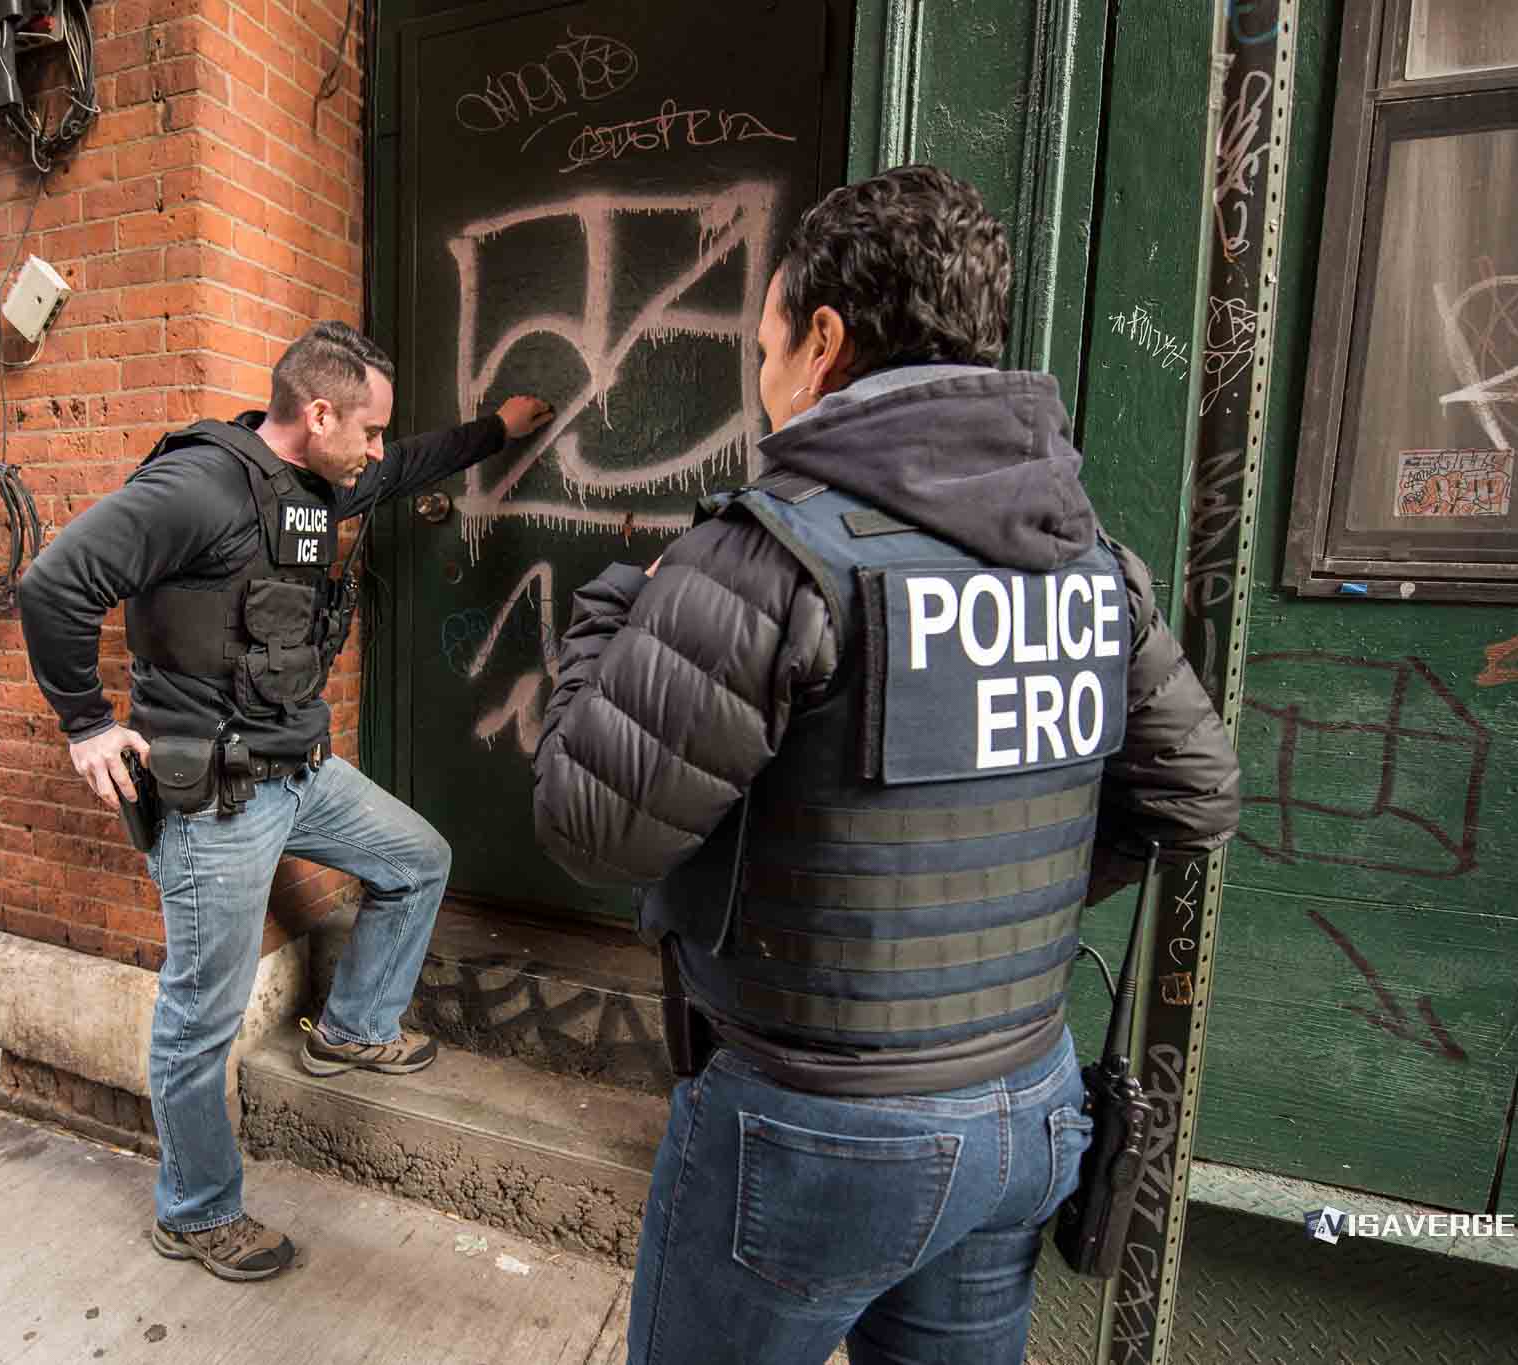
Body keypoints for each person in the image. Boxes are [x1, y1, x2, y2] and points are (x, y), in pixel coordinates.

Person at [530, 166, 1240, 1363]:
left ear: (821, 343)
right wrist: (979, 913)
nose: (761, 383)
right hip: (1025, 1101)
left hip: (818, 1131)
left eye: (762, 349)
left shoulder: (771, 558)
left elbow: (588, 826)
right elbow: (1196, 796)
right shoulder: (1090, 566)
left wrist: (610, 612)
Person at [18, 320, 554, 1281]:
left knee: (417, 860)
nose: (379, 449)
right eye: (369, 430)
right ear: (318, 414)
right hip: (217, 801)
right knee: (201, 1016)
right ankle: (196, 1211)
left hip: (299, 771)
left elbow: (411, 465)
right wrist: (87, 723)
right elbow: (56, 583)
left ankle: (351, 1027)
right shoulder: (200, 486)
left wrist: (497, 431)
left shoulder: (320, 482)